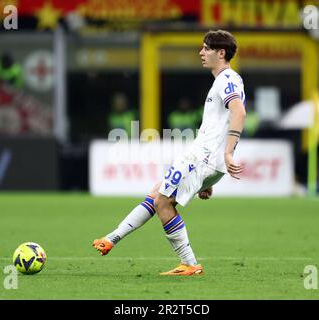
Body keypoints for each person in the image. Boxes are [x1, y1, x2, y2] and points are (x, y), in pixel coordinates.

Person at [93, 30, 246, 276]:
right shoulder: (223, 80)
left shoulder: (227, 78)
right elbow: (223, 121)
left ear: (221, 53)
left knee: (163, 201)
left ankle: (189, 263)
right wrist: (211, 173)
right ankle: (112, 238)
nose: (201, 52)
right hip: (206, 160)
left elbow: (239, 113)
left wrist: (227, 154)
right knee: (157, 192)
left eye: (206, 48)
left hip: (202, 158)